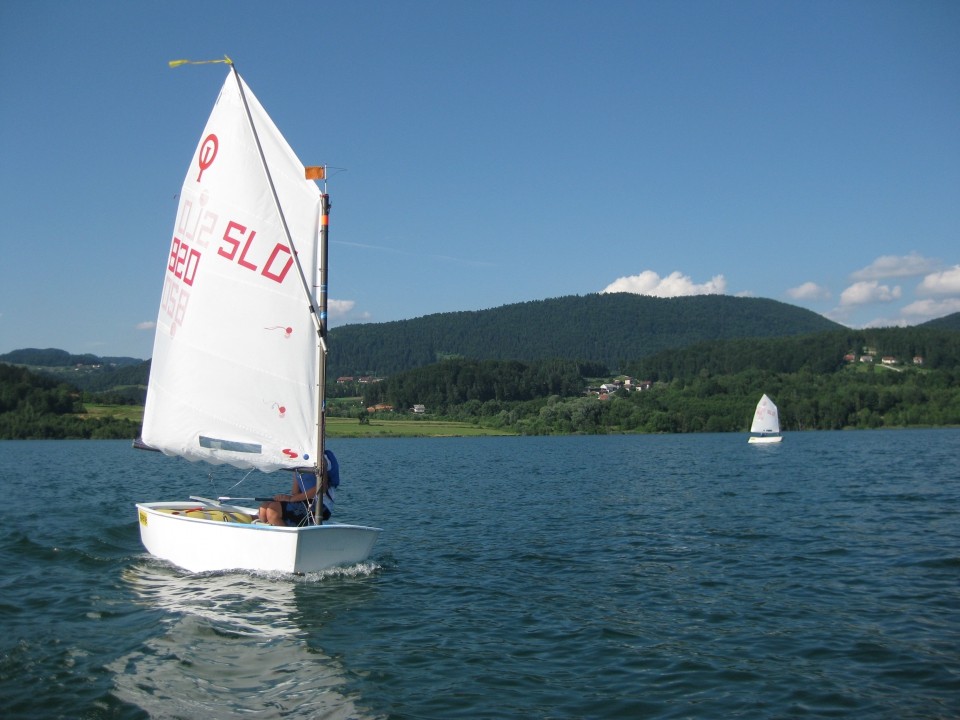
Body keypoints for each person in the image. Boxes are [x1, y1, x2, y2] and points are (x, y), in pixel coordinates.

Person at [258, 449, 339, 526]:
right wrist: (286, 498)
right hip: (305, 502)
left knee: (273, 510)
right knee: (264, 507)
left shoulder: (322, 459)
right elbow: (295, 493)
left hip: (321, 505)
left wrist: (291, 499)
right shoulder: (298, 461)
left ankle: (287, 538)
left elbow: (322, 488)